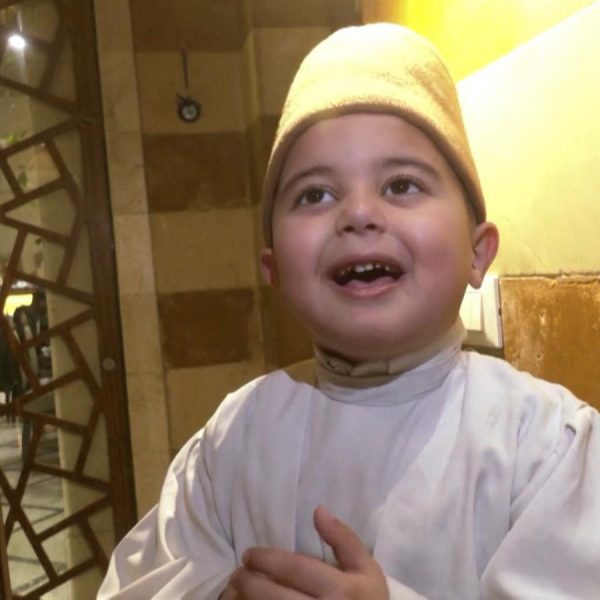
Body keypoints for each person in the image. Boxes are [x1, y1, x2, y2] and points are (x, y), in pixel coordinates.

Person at [98, 23, 600, 599]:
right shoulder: (234, 438)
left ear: (477, 252)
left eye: (402, 185)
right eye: (315, 194)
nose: (359, 213)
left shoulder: (547, 449)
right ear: (274, 270)